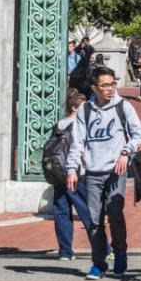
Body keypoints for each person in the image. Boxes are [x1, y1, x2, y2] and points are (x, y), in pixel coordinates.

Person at [66, 66, 141, 280]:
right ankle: (99, 263)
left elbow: (139, 135)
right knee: (94, 220)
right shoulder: (85, 110)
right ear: (94, 87)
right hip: (92, 171)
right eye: (105, 85)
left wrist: (126, 152)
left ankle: (120, 252)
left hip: (115, 171)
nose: (110, 89)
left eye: (113, 84)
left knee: (115, 213)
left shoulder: (124, 107)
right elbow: (77, 141)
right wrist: (72, 169)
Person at [53, 90, 95, 260]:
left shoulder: (59, 124)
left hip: (58, 174)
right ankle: (105, 249)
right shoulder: (79, 126)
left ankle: (65, 251)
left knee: (61, 212)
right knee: (88, 212)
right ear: (73, 108)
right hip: (77, 174)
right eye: (84, 108)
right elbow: (82, 151)